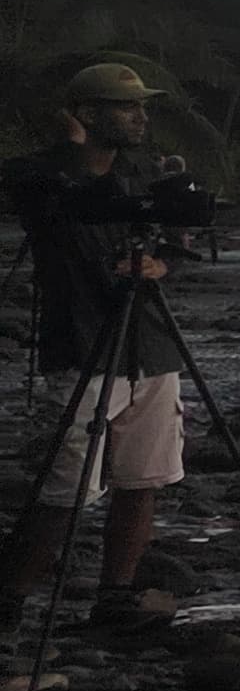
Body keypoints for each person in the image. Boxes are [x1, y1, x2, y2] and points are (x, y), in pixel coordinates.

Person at [2, 63, 189, 628]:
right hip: (83, 346)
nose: (140, 116)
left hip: (150, 344)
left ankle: (116, 595)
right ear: (86, 114)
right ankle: (10, 598)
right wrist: (71, 151)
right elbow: (22, 183)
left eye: (141, 106)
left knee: (144, 478)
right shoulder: (44, 178)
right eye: (125, 106)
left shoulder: (141, 174)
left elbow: (173, 240)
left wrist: (160, 263)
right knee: (66, 486)